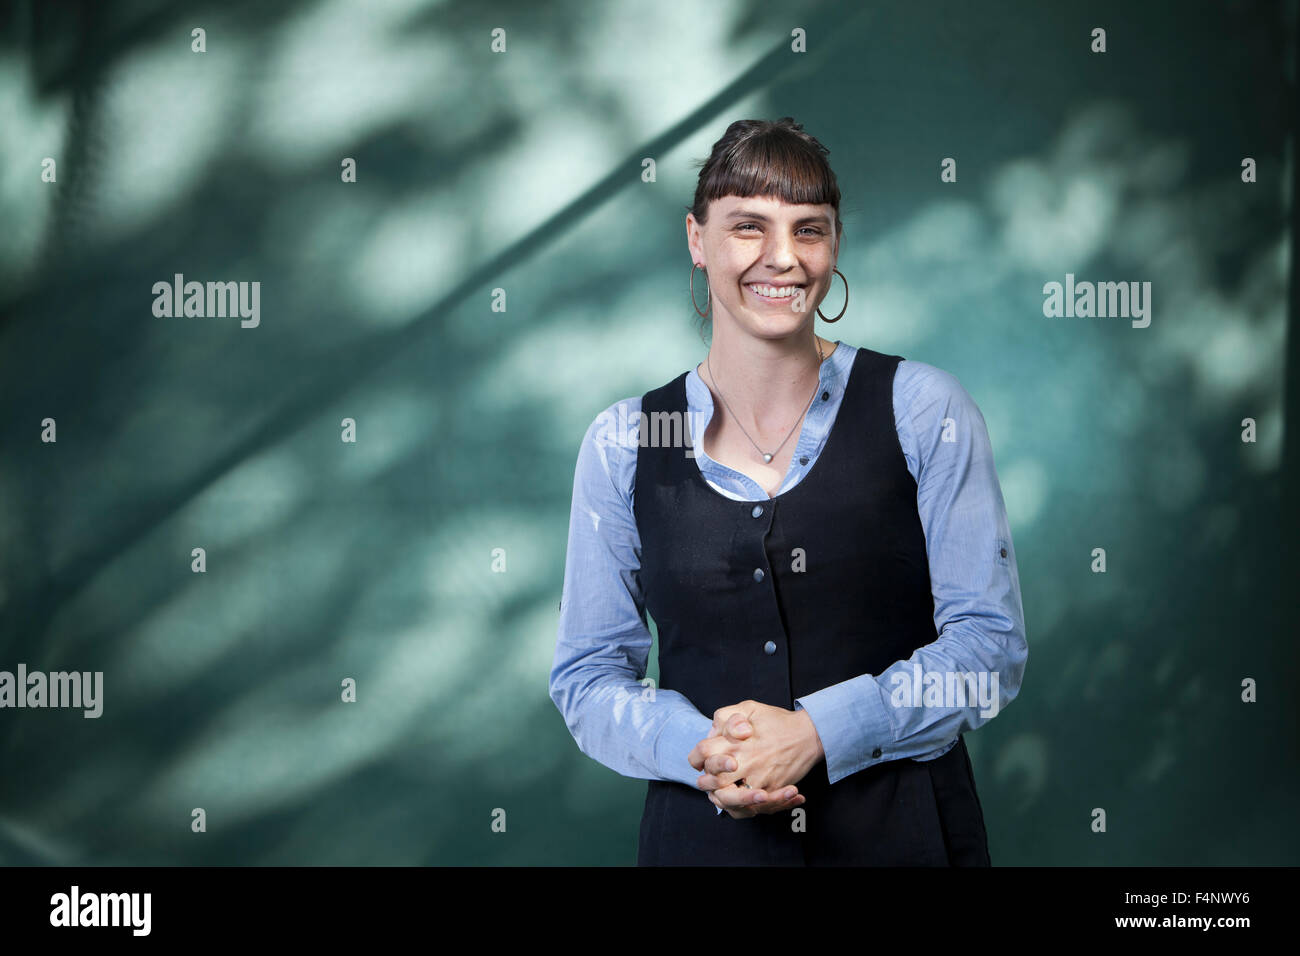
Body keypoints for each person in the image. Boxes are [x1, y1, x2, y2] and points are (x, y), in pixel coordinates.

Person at [549, 117, 1028, 866]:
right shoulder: (630, 440)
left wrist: (817, 732)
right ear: (697, 240)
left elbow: (989, 651)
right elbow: (587, 675)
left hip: (906, 843)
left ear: (834, 245)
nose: (783, 258)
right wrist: (703, 749)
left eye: (809, 230)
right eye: (749, 227)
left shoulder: (922, 407)